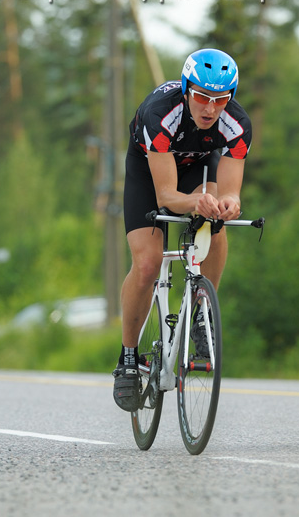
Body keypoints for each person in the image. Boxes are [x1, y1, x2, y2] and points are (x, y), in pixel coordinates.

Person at [113, 48, 252, 411]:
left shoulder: (237, 125)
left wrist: (228, 202)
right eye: (203, 98)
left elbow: (232, 187)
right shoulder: (160, 114)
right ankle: (128, 357)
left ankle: (202, 312)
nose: (210, 109)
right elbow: (165, 196)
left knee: (216, 217)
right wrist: (194, 203)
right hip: (150, 172)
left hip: (199, 167)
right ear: (188, 90)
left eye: (220, 101)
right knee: (147, 264)